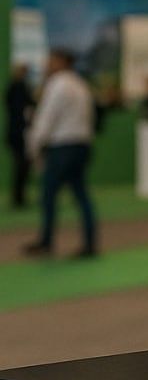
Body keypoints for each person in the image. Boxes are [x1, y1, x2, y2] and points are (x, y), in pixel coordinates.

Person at [24, 49, 98, 258]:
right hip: (81, 145)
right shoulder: (80, 85)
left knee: (48, 194)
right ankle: (90, 242)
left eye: (50, 60)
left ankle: (46, 241)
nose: (47, 64)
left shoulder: (58, 85)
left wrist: (34, 145)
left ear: (60, 61)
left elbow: (46, 119)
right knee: (81, 194)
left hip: (62, 147)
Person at [5, 63, 35, 209]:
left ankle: (19, 196)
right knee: (21, 166)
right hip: (19, 134)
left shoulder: (14, 87)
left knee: (21, 166)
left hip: (17, 133)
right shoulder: (19, 87)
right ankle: (18, 197)